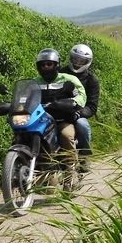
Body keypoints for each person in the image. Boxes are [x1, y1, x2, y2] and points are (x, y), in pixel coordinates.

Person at [34, 48, 86, 183]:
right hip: (40, 121)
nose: (46, 67)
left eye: (49, 64)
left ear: (56, 65)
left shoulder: (68, 80)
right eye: (43, 64)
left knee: (66, 136)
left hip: (62, 120)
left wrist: (71, 103)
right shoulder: (34, 83)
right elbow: (25, 96)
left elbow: (81, 96)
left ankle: (70, 173)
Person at [62, 43, 99, 173]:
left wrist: (79, 112)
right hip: (58, 110)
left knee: (83, 126)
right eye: (75, 59)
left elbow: (92, 106)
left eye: (81, 61)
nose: (77, 63)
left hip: (78, 113)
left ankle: (84, 156)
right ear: (70, 58)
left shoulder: (91, 80)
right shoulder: (61, 73)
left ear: (87, 62)